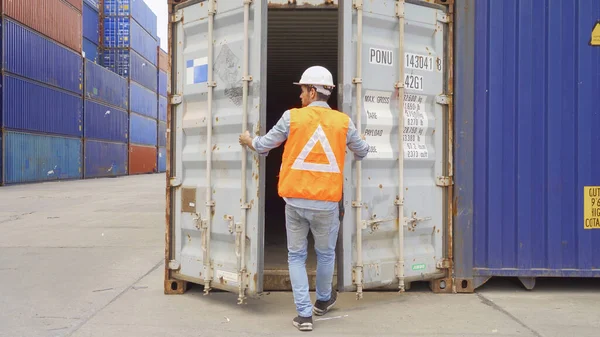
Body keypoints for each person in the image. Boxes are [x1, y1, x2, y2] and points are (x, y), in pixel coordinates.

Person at [239, 66, 369, 332]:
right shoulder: (343, 122)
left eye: (302, 90)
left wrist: (248, 140)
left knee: (296, 256)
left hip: (295, 202)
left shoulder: (292, 118)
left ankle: (304, 315)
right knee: (325, 254)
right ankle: (322, 302)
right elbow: (363, 151)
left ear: (312, 91)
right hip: (327, 204)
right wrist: (357, 142)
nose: (299, 96)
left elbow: (263, 146)